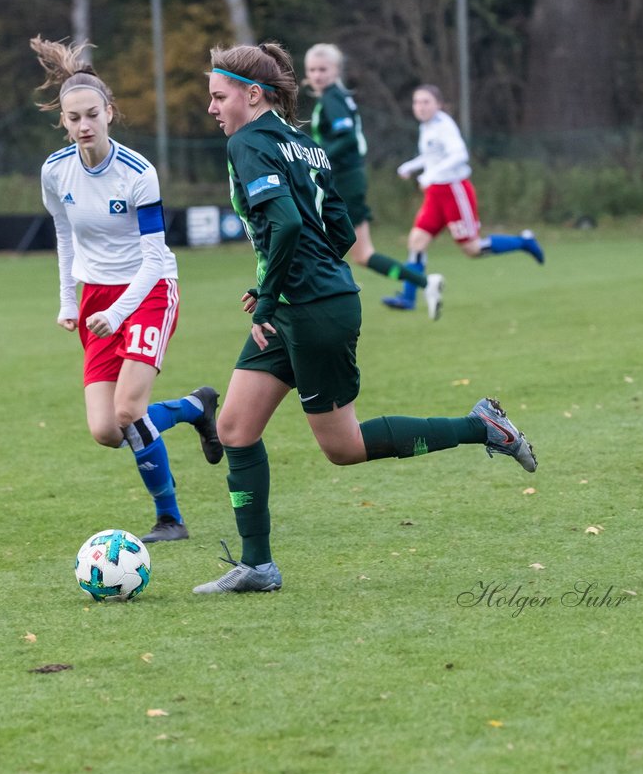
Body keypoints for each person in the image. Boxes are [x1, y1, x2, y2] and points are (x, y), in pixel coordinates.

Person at [195, 42, 537, 595]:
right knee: (234, 427)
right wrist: (278, 287)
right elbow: (341, 232)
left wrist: (271, 295)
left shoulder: (248, 143)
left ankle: (484, 427)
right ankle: (257, 566)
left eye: (218, 96)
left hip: (306, 311)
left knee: (344, 447)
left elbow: (283, 225)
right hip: (303, 303)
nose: (211, 108)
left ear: (251, 95)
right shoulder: (306, 146)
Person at [32, 36, 222, 545]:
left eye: (92, 114)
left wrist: (119, 315)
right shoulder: (55, 171)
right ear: (63, 121)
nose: (83, 126)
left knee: (128, 411)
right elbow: (64, 234)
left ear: (110, 112)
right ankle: (194, 408)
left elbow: (156, 258)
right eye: (73, 119)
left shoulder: (138, 173)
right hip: (95, 299)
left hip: (149, 292)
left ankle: (170, 518)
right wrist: (69, 301)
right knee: (106, 431)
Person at [303, 44, 441, 317]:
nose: (317, 75)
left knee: (318, 243)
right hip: (350, 179)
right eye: (312, 70)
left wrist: (314, 159)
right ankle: (425, 282)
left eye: (323, 69)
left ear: (336, 70)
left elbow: (346, 138)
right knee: (363, 254)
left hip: (342, 183)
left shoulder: (332, 98)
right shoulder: (336, 97)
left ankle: (322, 303)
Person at [386, 84, 544, 316]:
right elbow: (432, 156)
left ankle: (524, 242)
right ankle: (408, 298)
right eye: (416, 102)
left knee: (472, 249)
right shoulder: (427, 126)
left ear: (438, 105)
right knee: (416, 242)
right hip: (435, 195)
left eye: (426, 102)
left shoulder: (444, 126)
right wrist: (412, 166)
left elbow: (459, 154)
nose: (420, 107)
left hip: (454, 192)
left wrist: (430, 174)